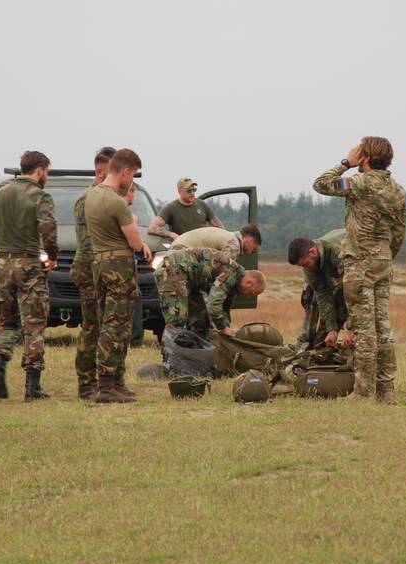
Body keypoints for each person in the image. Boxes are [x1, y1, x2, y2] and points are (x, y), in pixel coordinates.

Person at [313, 137, 406, 403]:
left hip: (360, 263)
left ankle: (363, 391)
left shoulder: (358, 183)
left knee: (365, 329)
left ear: (364, 156)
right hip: (383, 261)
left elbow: (321, 184)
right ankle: (386, 389)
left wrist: (346, 163)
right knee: (383, 327)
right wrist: (385, 254)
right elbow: (399, 231)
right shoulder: (397, 190)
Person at [0, 150, 58, 402]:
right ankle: (32, 386)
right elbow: (48, 229)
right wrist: (52, 256)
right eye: (47, 172)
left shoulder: (0, 192)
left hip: (2, 266)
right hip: (29, 264)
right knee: (34, 325)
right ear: (40, 170)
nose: (46, 177)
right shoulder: (39, 196)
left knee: (6, 321)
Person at [85, 149, 153, 404]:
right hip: (119, 267)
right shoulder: (116, 202)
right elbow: (134, 242)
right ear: (125, 171)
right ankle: (106, 385)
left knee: (111, 323)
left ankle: (116, 383)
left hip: (100, 263)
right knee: (116, 327)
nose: (131, 180)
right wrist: (138, 236)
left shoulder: (92, 195)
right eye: (132, 174)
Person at [70, 146, 115, 400]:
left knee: (107, 327)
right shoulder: (88, 199)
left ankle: (108, 381)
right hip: (90, 269)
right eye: (113, 171)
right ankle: (86, 384)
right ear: (100, 172)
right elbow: (90, 245)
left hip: (103, 270)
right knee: (92, 327)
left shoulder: (106, 197)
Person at [154, 248, 266, 338]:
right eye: (251, 293)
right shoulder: (230, 273)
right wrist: (223, 328)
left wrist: (226, 326)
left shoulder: (234, 282)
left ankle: (195, 352)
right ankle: (170, 354)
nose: (248, 296)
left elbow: (224, 307)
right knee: (177, 319)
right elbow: (213, 305)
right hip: (173, 270)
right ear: (249, 283)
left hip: (190, 282)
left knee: (201, 320)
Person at [286, 229, 347, 349]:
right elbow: (323, 295)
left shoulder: (337, 252)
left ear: (312, 252)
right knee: (311, 297)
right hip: (342, 272)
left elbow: (355, 290)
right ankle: (310, 345)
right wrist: (332, 329)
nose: (305, 268)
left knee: (341, 294)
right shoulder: (310, 263)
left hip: (368, 262)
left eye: (305, 264)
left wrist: (351, 328)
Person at [148, 177, 224, 239]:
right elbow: (152, 228)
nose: (192, 193)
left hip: (203, 246)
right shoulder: (171, 208)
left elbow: (219, 226)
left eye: (194, 190)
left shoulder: (202, 204)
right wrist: (171, 234)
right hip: (183, 247)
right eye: (189, 191)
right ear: (179, 191)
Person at [170, 223, 262, 260]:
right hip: (182, 252)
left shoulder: (229, 236)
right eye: (254, 249)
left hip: (180, 247)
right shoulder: (234, 245)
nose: (251, 253)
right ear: (250, 240)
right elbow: (223, 271)